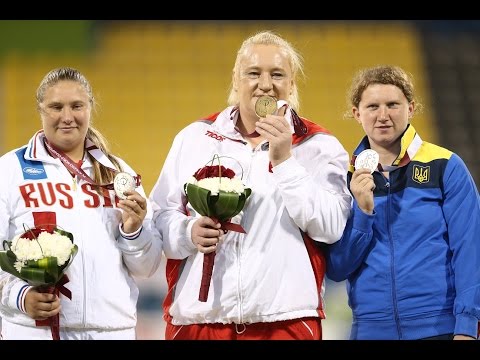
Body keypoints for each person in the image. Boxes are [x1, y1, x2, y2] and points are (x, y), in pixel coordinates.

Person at [149, 30, 352, 340]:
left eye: (277, 74)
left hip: (285, 321)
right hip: (199, 320)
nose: (266, 84)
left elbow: (331, 226)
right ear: (236, 79)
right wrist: (188, 233)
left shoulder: (318, 145)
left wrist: (284, 161)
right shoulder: (194, 138)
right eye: (254, 73)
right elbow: (159, 218)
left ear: (292, 82)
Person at [0, 67, 163, 340]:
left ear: (90, 108)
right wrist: (20, 296)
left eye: (76, 106)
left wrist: (133, 231)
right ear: (40, 109)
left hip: (112, 332)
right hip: (33, 331)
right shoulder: (9, 171)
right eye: (56, 107)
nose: (67, 117)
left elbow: (146, 267)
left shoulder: (119, 173)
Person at [326, 65, 480, 340]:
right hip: (369, 332)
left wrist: (467, 327)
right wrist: (362, 211)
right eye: (372, 106)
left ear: (410, 108)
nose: (383, 115)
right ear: (356, 113)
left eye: (392, 105)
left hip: (439, 329)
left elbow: (471, 250)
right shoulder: (344, 177)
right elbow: (337, 268)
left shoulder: (445, 166)